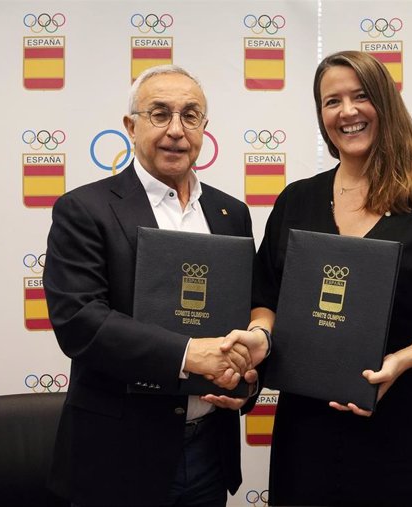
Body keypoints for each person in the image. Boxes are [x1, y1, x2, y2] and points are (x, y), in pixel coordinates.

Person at [234, 50, 412, 506]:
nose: (347, 112)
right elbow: (266, 296)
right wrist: (261, 332)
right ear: (321, 117)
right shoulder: (296, 201)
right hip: (309, 430)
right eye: (331, 101)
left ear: (384, 104)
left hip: (408, 429)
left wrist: (402, 360)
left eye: (361, 97)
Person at [43, 64, 269, 507]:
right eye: (159, 114)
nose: (176, 131)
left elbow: (247, 313)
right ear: (131, 126)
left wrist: (244, 378)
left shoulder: (231, 213)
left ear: (205, 128)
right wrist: (190, 355)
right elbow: (80, 321)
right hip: (118, 455)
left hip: (209, 450)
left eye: (190, 115)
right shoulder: (84, 209)